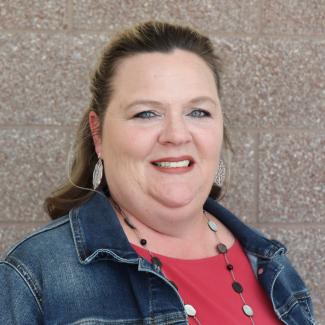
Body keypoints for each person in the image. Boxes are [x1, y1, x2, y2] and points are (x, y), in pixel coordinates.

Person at [0, 21, 315, 325]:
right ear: (98, 134)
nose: (176, 135)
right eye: (146, 113)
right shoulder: (34, 277)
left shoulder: (271, 265)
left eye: (198, 112)